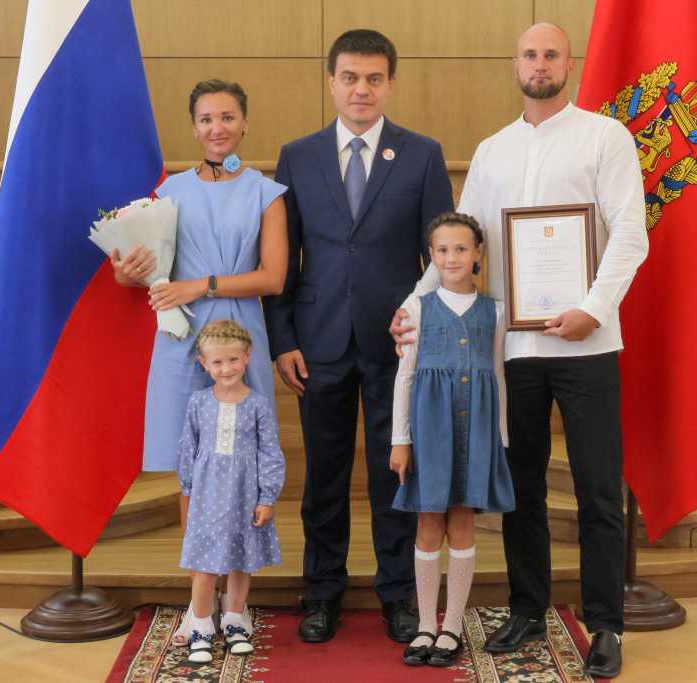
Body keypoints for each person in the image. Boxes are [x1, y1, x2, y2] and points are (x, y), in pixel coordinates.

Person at [391, 23, 648, 679]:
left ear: (569, 63)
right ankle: (529, 607)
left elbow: (630, 233)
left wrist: (594, 307)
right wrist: (413, 304)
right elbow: (459, 242)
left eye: (551, 54)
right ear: (516, 64)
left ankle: (606, 624)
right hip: (509, 346)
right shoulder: (493, 151)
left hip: (588, 340)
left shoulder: (606, 137)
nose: (540, 64)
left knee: (597, 487)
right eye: (530, 55)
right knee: (521, 485)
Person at [262, 29, 455, 644]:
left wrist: (421, 322)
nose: (361, 89)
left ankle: (398, 594)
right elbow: (282, 259)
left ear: (391, 84)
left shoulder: (422, 155)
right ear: (332, 82)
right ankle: (321, 592)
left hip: (397, 345)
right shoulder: (298, 156)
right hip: (316, 343)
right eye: (350, 77)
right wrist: (282, 340)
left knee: (394, 472)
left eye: (374, 78)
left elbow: (440, 255)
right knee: (323, 477)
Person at [111, 79, 287, 643]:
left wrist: (201, 285)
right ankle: (200, 604)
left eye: (228, 117)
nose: (217, 128)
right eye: (207, 118)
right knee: (192, 469)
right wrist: (128, 269)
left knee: (243, 466)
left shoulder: (267, 192)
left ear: (245, 122)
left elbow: (273, 277)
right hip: (181, 337)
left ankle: (237, 606)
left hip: (238, 332)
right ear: (194, 127)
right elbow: (132, 270)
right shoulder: (168, 191)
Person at [388, 212, 514, 667]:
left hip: (476, 432)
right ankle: (426, 623)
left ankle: (452, 627)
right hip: (430, 433)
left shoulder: (495, 312)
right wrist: (400, 439)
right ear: (430, 256)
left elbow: (497, 375)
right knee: (428, 525)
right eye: (442, 250)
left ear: (478, 253)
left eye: (461, 249)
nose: (452, 257)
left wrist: (499, 438)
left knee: (462, 523)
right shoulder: (417, 309)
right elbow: (405, 376)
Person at [175, 319, 286, 665]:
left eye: (233, 360)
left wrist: (267, 497)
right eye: (218, 362)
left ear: (247, 357)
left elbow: (270, 452)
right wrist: (189, 488)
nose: (226, 368)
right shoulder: (198, 402)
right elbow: (188, 447)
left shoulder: (258, 405)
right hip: (207, 498)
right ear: (204, 363)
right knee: (205, 566)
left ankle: (235, 622)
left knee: (240, 563)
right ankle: (202, 628)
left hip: (244, 497)